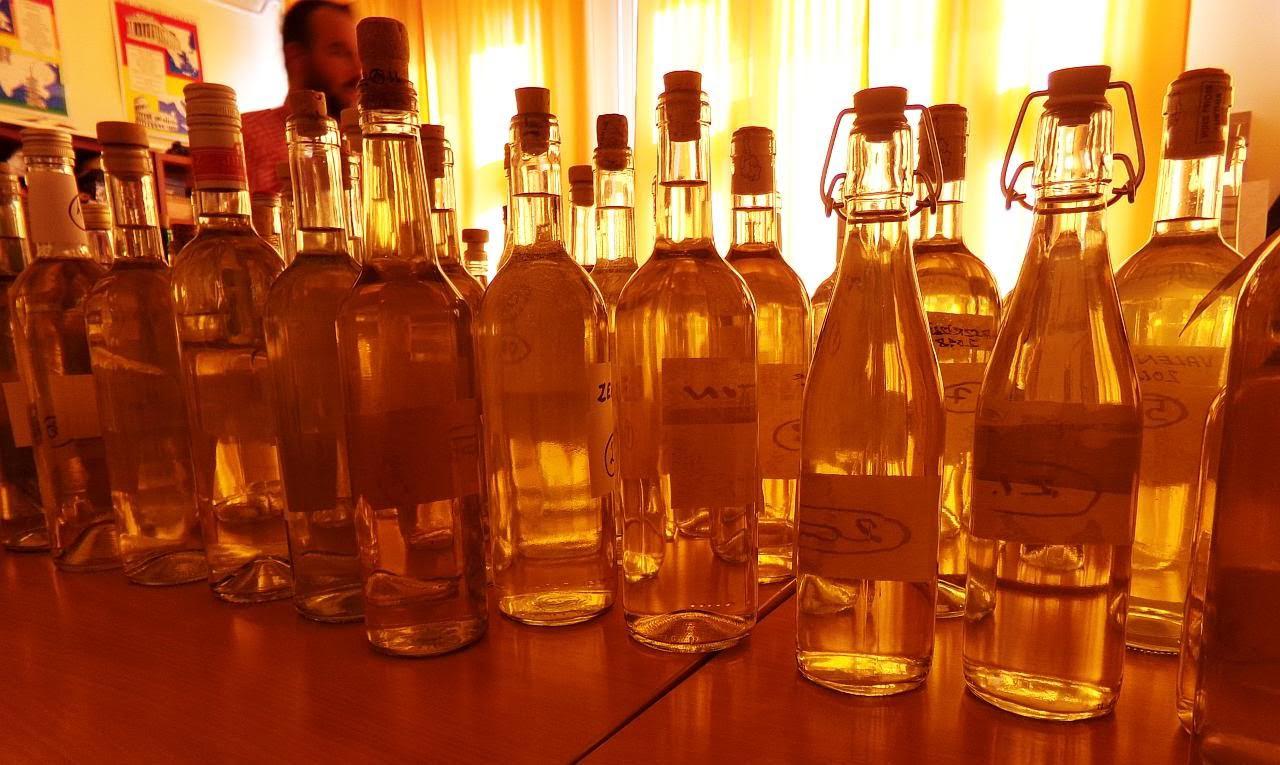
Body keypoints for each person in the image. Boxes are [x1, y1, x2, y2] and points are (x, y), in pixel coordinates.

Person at [242, 0, 359, 193]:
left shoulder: (366, 148)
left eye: (358, 55)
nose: (358, 71)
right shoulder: (244, 137)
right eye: (339, 52)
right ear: (296, 58)